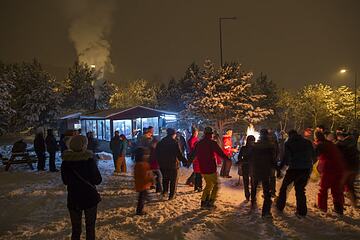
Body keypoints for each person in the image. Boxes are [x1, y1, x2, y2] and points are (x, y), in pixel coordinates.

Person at [61, 135, 102, 240]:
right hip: (90, 198)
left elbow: (65, 181)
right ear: (84, 145)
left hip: (74, 199)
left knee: (76, 228)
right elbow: (98, 180)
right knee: (90, 227)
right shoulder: (89, 161)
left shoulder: (66, 162)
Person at [189, 127, 231, 208]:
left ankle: (204, 202)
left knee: (209, 185)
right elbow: (220, 153)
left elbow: (193, 154)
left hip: (202, 168)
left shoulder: (199, 143)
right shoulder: (212, 143)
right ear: (210, 134)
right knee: (216, 185)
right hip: (211, 168)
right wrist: (227, 159)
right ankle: (210, 202)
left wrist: (188, 162)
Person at [276, 130, 315, 217]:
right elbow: (314, 155)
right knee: (300, 190)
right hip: (305, 169)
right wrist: (309, 164)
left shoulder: (289, 143)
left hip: (294, 169)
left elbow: (286, 158)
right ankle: (302, 211)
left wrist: (280, 168)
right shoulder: (307, 142)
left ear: (289, 135)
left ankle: (280, 206)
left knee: (284, 188)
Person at [315, 131, 345, 214]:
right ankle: (339, 209)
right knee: (337, 190)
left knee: (323, 189)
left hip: (329, 169)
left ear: (316, 138)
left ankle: (322, 208)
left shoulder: (321, 145)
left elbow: (315, 156)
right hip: (339, 168)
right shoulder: (331, 144)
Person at [250, 129, 277, 218]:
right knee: (266, 191)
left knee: (254, 186)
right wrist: (277, 168)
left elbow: (251, 158)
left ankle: (253, 201)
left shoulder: (255, 146)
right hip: (265, 171)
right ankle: (266, 212)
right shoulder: (270, 146)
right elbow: (273, 160)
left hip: (256, 170)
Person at [155, 128, 187, 200]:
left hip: (163, 165)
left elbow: (157, 153)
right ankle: (172, 195)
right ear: (174, 134)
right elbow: (179, 154)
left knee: (165, 179)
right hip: (173, 164)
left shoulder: (161, 142)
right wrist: (185, 161)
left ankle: (165, 192)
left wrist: (160, 162)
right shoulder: (174, 142)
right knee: (173, 180)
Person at [336, 131, 359, 206]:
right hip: (355, 167)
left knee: (339, 185)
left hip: (347, 167)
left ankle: (339, 202)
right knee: (350, 185)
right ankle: (354, 202)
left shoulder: (342, 144)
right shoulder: (353, 143)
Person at [134, 147, 154, 215]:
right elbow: (144, 175)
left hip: (143, 184)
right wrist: (150, 178)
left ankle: (148, 199)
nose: (148, 156)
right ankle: (139, 210)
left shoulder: (143, 163)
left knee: (143, 195)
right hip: (143, 184)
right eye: (146, 155)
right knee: (141, 198)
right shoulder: (141, 165)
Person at [237, 135, 255, 201]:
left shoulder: (246, 148)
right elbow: (239, 157)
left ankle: (250, 196)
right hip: (248, 166)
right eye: (251, 140)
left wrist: (240, 161)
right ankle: (248, 196)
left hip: (250, 166)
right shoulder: (244, 148)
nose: (252, 142)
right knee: (248, 182)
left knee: (250, 182)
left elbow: (239, 157)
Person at [188, 127, 202, 192]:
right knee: (198, 174)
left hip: (196, 157)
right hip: (195, 157)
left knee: (197, 173)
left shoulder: (196, 139)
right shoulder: (192, 140)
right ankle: (197, 186)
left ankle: (195, 185)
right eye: (196, 132)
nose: (197, 134)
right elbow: (192, 148)